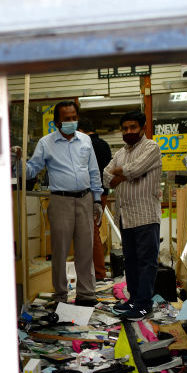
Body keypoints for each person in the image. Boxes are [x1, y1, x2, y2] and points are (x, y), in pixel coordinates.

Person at [22, 100, 103, 306]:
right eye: (67, 119)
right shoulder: (45, 143)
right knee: (59, 251)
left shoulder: (85, 141)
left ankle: (86, 294)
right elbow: (32, 169)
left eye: (74, 118)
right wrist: (18, 161)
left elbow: (93, 171)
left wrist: (97, 200)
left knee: (85, 249)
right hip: (61, 201)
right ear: (57, 122)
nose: (71, 122)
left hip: (85, 199)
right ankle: (60, 296)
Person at [103, 110, 162, 321]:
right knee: (131, 262)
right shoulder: (120, 153)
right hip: (125, 216)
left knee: (147, 262)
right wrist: (123, 174)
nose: (129, 132)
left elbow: (135, 170)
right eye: (125, 128)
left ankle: (145, 305)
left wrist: (123, 174)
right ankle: (134, 299)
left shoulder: (151, 148)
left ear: (143, 127)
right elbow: (106, 177)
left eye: (133, 128)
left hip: (145, 215)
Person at [77, 115, 112, 280]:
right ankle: (97, 271)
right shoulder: (104, 145)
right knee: (93, 231)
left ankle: (98, 273)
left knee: (91, 232)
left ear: (81, 130)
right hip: (102, 193)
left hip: (89, 193)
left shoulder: (85, 144)